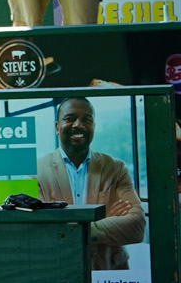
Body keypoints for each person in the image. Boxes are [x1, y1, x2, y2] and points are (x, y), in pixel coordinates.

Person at [33, 96, 145, 271]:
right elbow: (37, 232)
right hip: (59, 270)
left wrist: (70, 229)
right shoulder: (35, 173)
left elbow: (136, 227)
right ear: (57, 127)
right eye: (70, 119)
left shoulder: (116, 168)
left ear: (93, 126)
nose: (79, 125)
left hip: (111, 271)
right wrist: (107, 219)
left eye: (87, 120)